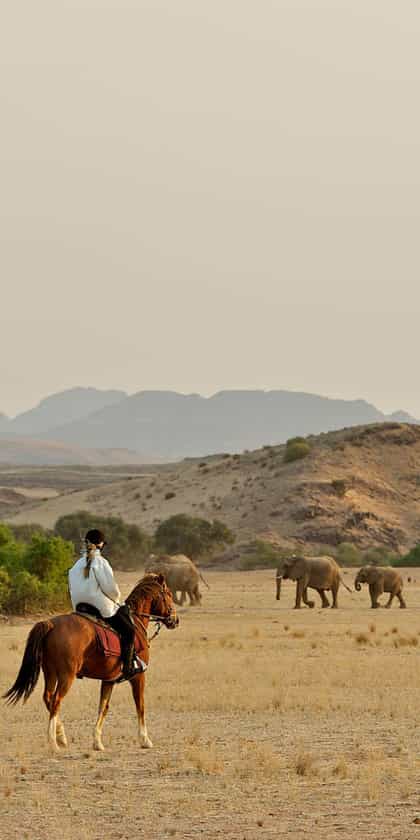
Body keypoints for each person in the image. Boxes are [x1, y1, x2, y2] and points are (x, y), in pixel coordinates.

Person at [68, 528, 140, 679]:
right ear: (101, 544)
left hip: (79, 607)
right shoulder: (101, 563)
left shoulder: (76, 565)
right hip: (99, 608)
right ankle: (127, 667)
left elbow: (71, 588)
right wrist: (118, 601)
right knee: (129, 631)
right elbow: (111, 589)